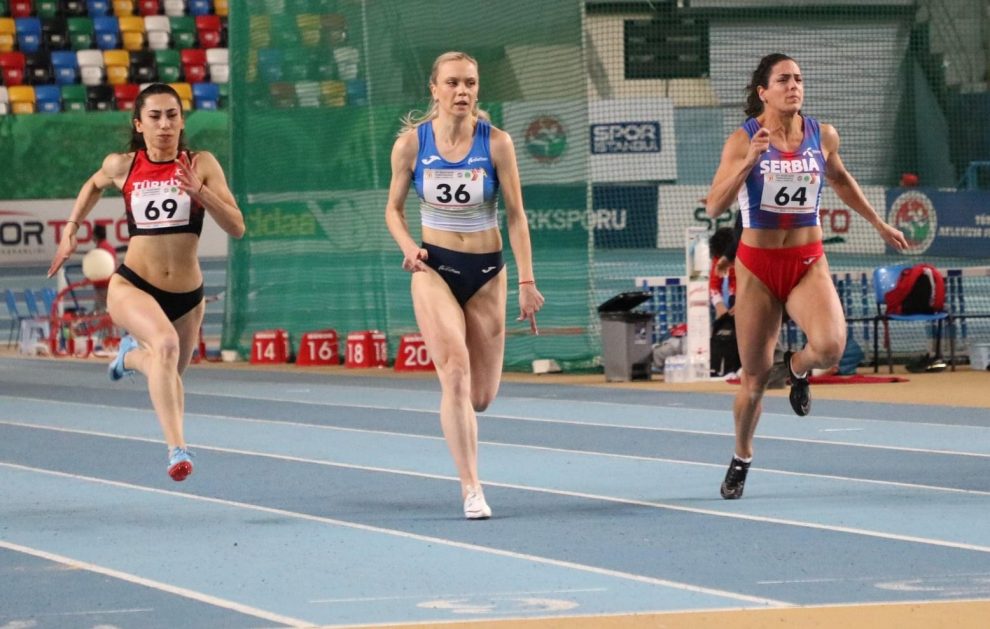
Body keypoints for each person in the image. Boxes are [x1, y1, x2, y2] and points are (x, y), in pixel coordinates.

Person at [705, 53, 907, 499]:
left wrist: (878, 223)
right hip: (757, 268)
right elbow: (715, 205)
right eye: (783, 80)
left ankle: (797, 367)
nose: (794, 86)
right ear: (763, 92)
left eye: (798, 78)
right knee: (754, 380)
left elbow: (841, 180)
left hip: (806, 262)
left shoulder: (822, 135)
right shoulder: (742, 140)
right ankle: (742, 455)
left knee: (831, 346)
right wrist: (749, 161)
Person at [47, 83, 245, 481]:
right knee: (165, 346)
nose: (164, 124)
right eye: (155, 117)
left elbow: (237, 227)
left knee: (166, 373)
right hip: (133, 285)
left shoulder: (201, 164)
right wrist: (71, 229)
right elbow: (92, 185)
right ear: (139, 124)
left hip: (187, 297)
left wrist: (200, 192)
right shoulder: (123, 165)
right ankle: (177, 451)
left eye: (172, 115)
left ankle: (128, 357)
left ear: (182, 121)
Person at [385, 51, 544, 519]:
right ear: (434, 89)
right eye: (453, 83)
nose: (462, 91)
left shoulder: (496, 143)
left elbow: (516, 216)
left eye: (470, 83)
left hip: (487, 273)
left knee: (481, 397)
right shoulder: (411, 146)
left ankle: (467, 435)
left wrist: (527, 280)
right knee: (454, 371)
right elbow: (393, 209)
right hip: (434, 268)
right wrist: (408, 246)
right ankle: (472, 487)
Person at [90, 223, 117, 312]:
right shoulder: (109, 247)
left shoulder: (100, 249)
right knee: (101, 310)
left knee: (101, 312)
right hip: (107, 284)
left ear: (95, 235)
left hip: (103, 286)